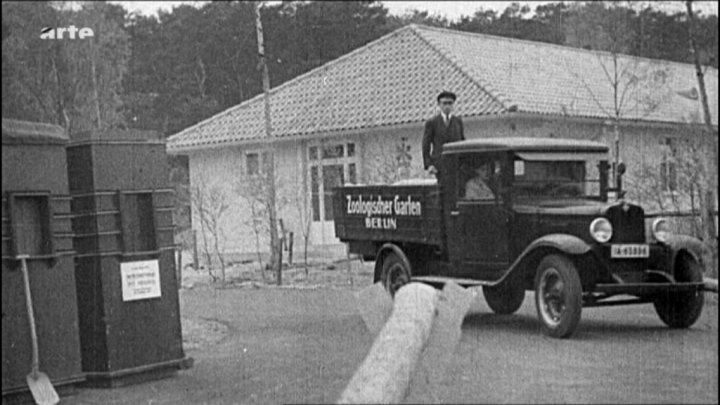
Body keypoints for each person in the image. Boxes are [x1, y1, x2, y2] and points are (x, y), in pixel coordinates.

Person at [422, 91, 465, 177]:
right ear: (439, 105)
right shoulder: (432, 122)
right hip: (440, 166)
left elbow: (462, 142)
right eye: (444, 103)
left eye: (450, 103)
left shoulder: (458, 122)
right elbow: (426, 145)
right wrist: (429, 165)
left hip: (456, 165)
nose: (447, 106)